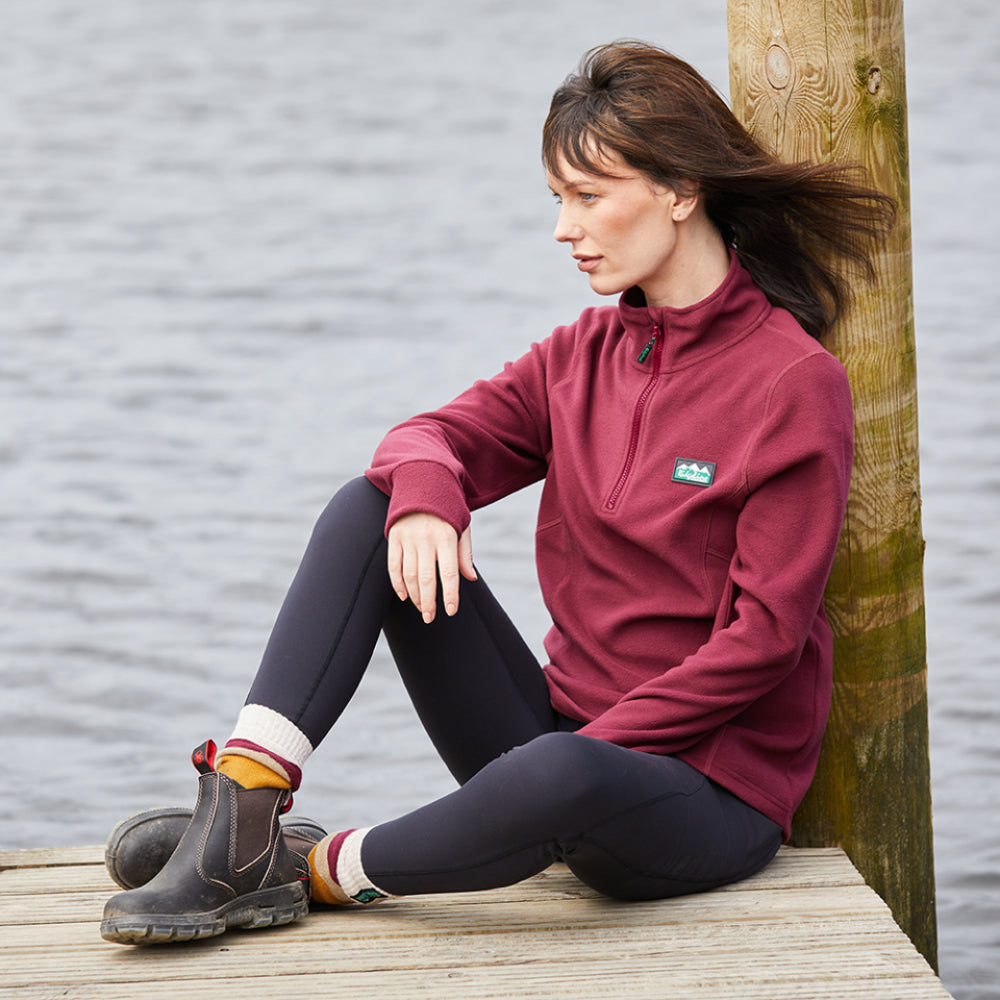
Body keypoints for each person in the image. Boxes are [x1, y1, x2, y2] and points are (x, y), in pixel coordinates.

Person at [100, 40, 894, 945]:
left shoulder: (791, 381)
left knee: (559, 775)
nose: (565, 228)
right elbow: (420, 438)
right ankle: (243, 808)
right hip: (549, 740)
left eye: (589, 197)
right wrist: (434, 493)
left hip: (700, 791)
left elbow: (763, 642)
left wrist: (585, 751)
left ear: (679, 191)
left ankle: (305, 868)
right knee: (375, 507)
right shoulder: (581, 356)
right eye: (559, 199)